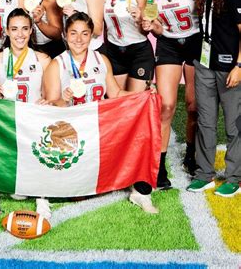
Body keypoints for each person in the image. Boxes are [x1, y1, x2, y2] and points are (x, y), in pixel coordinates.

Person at [43, 12, 158, 213]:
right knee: (77, 193)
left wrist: (142, 96)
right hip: (71, 133)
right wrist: (65, 99)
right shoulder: (57, 64)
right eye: (73, 33)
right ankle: (44, 194)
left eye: (84, 34)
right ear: (65, 35)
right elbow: (51, 109)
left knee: (139, 127)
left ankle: (140, 191)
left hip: (100, 128)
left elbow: (114, 93)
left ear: (91, 36)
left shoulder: (101, 59)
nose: (79, 39)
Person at [141, 0, 201, 188]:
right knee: (165, 105)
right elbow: (155, 30)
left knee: (193, 105)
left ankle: (191, 155)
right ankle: (160, 164)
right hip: (169, 44)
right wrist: (150, 25)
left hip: (196, 41)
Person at [187, 0, 240, 197]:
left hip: (230, 68)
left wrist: (240, 65)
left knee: (234, 125)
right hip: (205, 65)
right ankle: (204, 174)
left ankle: (235, 177)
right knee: (206, 123)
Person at [0, 8, 51, 217]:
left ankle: (42, 197)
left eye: (24, 29)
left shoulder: (42, 59)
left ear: (31, 30)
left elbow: (51, 97)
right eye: (14, 29)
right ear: (6, 31)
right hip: (7, 123)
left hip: (33, 125)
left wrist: (46, 101)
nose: (20, 34)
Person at [101, 0, 154, 92]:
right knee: (117, 104)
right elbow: (104, 27)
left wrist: (139, 19)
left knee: (136, 101)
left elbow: (146, 30)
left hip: (139, 51)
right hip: (114, 51)